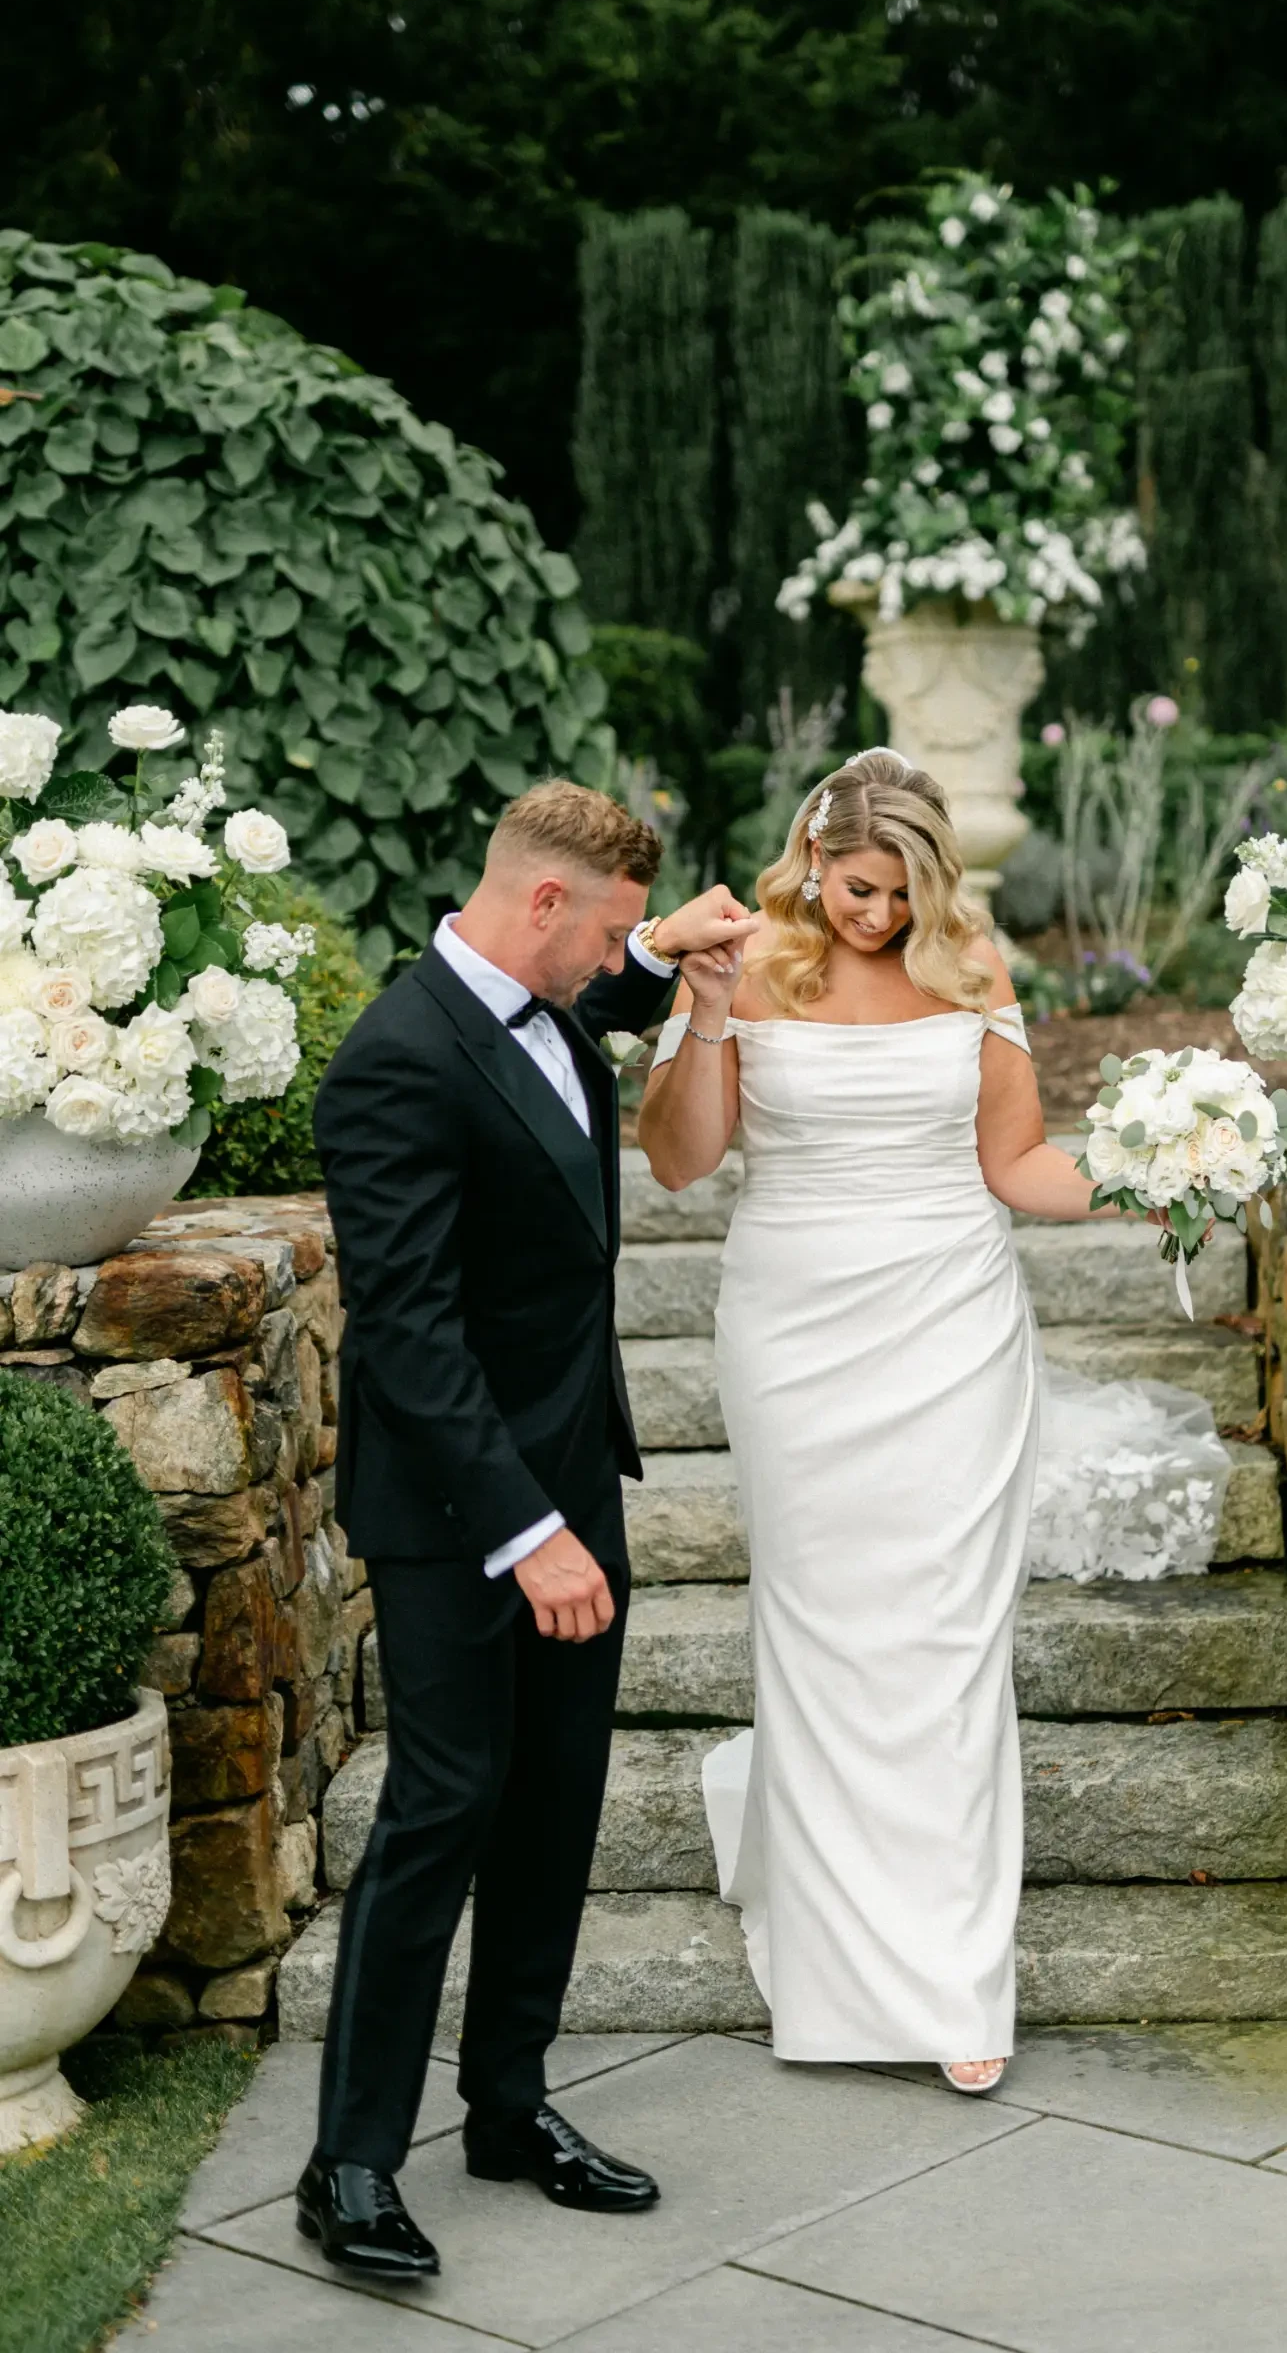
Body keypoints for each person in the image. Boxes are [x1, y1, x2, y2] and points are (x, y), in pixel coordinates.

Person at [637, 746, 1156, 2095]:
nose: (877, 916)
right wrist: (705, 1014)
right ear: (812, 858)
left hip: (952, 1327)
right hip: (795, 1330)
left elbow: (1016, 1164)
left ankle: (955, 1983)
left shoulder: (974, 965)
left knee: (946, 1644)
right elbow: (681, 1162)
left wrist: (1159, 1173)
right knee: (818, 1632)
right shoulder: (744, 965)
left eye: (901, 893)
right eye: (857, 889)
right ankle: (836, 1975)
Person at [297, 781, 753, 2280]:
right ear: (543, 902)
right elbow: (409, 1336)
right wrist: (523, 1531)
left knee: (555, 1807)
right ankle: (349, 2163)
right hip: (458, 1515)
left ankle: (508, 2107)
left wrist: (666, 952)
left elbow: (601, 999)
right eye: (610, 931)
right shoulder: (394, 1060)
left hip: (576, 1482)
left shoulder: (553, 997)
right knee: (444, 1807)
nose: (618, 961)